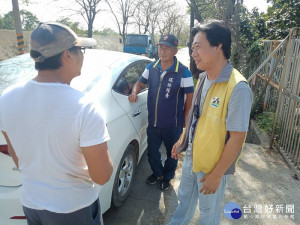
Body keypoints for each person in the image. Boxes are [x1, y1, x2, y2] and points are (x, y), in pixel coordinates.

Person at [0, 22, 113, 225]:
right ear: (67, 55)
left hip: (32, 204)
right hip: (74, 209)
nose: (83, 55)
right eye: (81, 49)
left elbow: (18, 158)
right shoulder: (85, 107)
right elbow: (102, 176)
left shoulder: (6, 99)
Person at [168, 21, 253, 225]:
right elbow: (196, 117)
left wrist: (217, 174)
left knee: (208, 214)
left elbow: (238, 137)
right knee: (184, 203)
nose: (193, 53)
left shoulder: (237, 88)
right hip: (192, 157)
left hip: (213, 166)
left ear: (218, 46)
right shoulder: (204, 77)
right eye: (192, 48)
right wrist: (182, 140)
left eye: (198, 47)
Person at [128, 34, 194, 190]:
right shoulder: (151, 68)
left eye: (167, 48)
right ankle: (157, 173)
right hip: (154, 123)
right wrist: (134, 91)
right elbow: (139, 82)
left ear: (175, 51)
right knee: (152, 152)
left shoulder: (184, 72)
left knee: (173, 154)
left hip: (174, 124)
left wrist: (185, 120)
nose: (163, 51)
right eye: (161, 47)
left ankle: (167, 177)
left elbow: (190, 98)